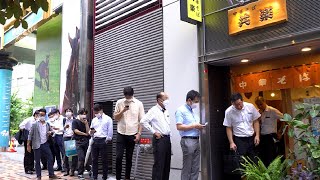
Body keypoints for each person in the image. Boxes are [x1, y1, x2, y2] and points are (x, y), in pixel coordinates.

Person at [223, 93, 261, 171]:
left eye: (240, 104)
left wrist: (257, 135)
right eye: (236, 105)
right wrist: (231, 142)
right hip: (239, 140)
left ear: (242, 100)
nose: (239, 106)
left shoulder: (250, 107)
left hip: (251, 138)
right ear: (232, 103)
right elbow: (228, 127)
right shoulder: (229, 111)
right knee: (241, 163)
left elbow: (256, 121)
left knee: (254, 160)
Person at [114, 86, 145, 180]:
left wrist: (139, 134)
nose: (128, 99)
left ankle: (127, 177)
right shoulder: (119, 102)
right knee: (118, 157)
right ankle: (118, 178)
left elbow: (141, 121)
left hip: (132, 134)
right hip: (121, 133)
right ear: (124, 95)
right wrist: (122, 111)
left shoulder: (139, 104)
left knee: (129, 157)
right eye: (126, 96)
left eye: (129, 97)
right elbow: (115, 118)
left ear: (132, 94)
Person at [141, 92, 171, 180]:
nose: (167, 100)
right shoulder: (153, 110)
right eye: (166, 98)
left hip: (167, 139)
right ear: (159, 100)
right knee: (159, 165)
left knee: (166, 165)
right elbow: (143, 121)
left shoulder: (166, 110)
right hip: (159, 139)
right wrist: (154, 132)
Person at [175, 90, 204, 180]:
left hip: (196, 140)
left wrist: (199, 126)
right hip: (188, 140)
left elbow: (193, 125)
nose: (197, 104)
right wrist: (194, 125)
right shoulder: (180, 110)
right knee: (187, 167)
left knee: (195, 167)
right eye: (196, 101)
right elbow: (179, 126)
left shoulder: (193, 111)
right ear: (189, 100)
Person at [27, 108, 59, 180]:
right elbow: (30, 135)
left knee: (50, 158)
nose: (42, 116)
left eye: (43, 115)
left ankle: (51, 174)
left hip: (45, 144)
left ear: (45, 115)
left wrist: (51, 133)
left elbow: (52, 131)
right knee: (37, 161)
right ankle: (39, 176)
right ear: (38, 115)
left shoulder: (47, 124)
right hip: (37, 144)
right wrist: (28, 145)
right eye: (41, 115)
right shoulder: (35, 124)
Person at [255, 96, 284, 166]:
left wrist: (280, 131)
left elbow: (284, 118)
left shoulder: (272, 110)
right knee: (263, 157)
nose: (260, 106)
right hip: (262, 137)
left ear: (264, 102)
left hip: (271, 136)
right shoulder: (257, 112)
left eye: (261, 104)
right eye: (258, 105)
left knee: (272, 156)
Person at [90, 104, 113, 180]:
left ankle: (105, 176)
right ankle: (95, 176)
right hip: (95, 140)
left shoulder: (108, 119)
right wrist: (92, 133)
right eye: (95, 112)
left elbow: (110, 131)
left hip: (103, 140)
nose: (96, 114)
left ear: (101, 110)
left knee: (104, 160)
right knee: (94, 159)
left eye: (97, 112)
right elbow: (91, 130)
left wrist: (107, 140)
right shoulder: (94, 120)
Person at [72, 108, 91, 180]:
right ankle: (80, 173)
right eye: (82, 114)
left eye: (85, 114)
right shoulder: (75, 121)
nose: (84, 115)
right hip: (78, 142)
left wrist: (86, 124)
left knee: (87, 158)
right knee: (81, 157)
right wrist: (84, 134)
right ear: (79, 115)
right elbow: (76, 131)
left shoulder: (86, 121)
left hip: (86, 141)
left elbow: (88, 131)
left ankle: (88, 170)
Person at [19, 110, 39, 174]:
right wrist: (26, 132)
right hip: (28, 138)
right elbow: (21, 125)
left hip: (34, 138)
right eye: (38, 115)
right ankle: (27, 168)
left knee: (33, 153)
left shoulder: (37, 121)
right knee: (28, 153)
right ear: (35, 114)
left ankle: (31, 167)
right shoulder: (29, 119)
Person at [62, 108, 77, 176]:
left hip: (72, 137)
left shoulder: (75, 119)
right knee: (66, 154)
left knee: (73, 154)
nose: (68, 113)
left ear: (72, 113)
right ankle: (66, 170)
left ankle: (72, 170)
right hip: (65, 137)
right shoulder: (64, 119)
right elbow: (61, 129)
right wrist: (64, 127)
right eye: (67, 111)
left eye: (69, 111)